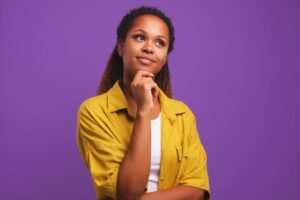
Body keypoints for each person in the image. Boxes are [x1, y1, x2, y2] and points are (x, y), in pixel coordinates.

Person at [77, 6, 210, 200]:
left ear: (164, 58)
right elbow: (128, 193)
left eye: (159, 43)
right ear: (121, 46)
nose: (149, 48)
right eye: (140, 37)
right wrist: (143, 111)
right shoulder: (94, 112)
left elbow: (197, 189)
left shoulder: (182, 114)